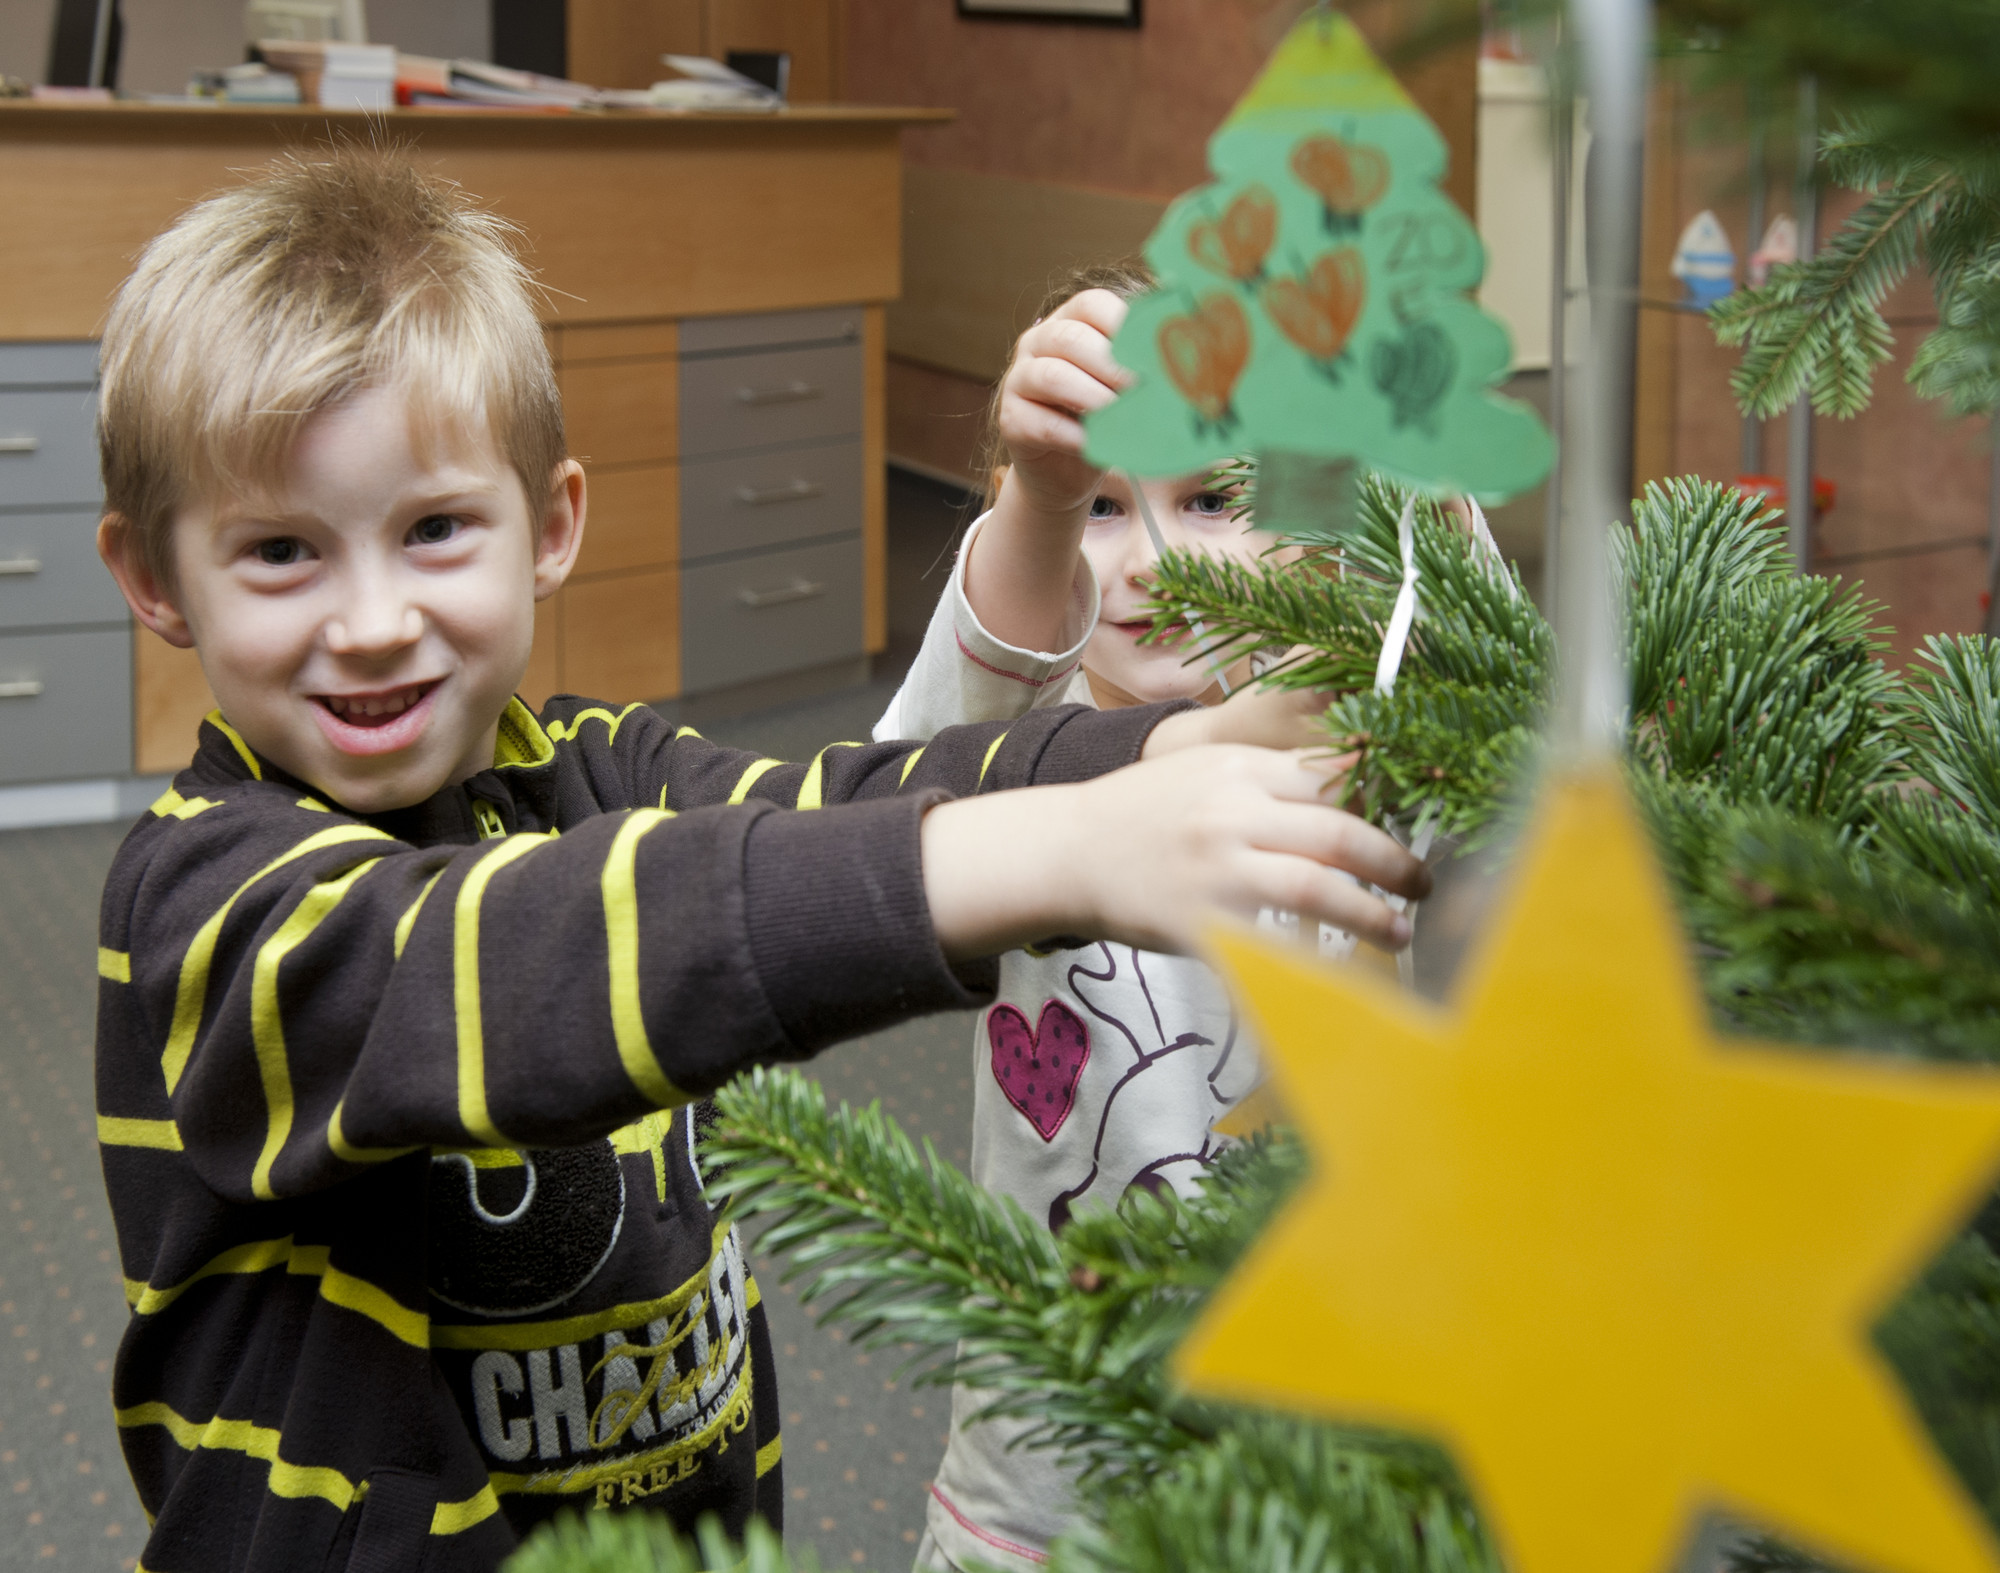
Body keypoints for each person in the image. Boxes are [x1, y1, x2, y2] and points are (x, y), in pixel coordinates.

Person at [88, 152, 1427, 1573]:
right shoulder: (204, 899)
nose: (369, 621)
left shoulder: (592, 766)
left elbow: (835, 802)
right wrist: (1069, 845)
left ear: (549, 529)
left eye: (432, 531)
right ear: (159, 581)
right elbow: (522, 955)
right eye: (283, 551)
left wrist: (1173, 747)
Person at [877, 265, 1315, 1573]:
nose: (1155, 563)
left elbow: (1495, 689)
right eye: (1110, 507)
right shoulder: (1030, 740)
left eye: (1214, 498)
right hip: (1047, 1433)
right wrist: (1038, 492)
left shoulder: (1349, 718)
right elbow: (893, 791)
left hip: (1313, 1395)